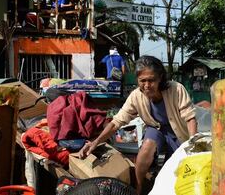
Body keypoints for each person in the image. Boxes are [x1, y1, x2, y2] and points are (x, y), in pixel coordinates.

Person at [79, 55, 197, 194]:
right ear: (137, 80)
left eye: (151, 80)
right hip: (156, 128)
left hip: (177, 132)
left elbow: (190, 118)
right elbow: (117, 121)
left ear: (160, 78)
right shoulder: (136, 96)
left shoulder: (176, 89)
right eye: (143, 81)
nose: (147, 85)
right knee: (145, 150)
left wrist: (193, 144)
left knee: (178, 166)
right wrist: (95, 142)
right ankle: (140, 187)